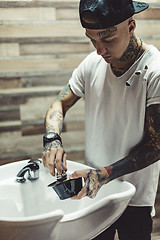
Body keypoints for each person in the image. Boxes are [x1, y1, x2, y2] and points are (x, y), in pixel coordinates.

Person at [42, 0, 160, 239]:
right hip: (93, 190)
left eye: (107, 39)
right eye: (92, 39)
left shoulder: (154, 71)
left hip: (134, 196)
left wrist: (104, 174)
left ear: (131, 26)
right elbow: (60, 103)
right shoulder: (92, 63)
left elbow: (156, 145)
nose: (99, 49)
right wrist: (52, 138)